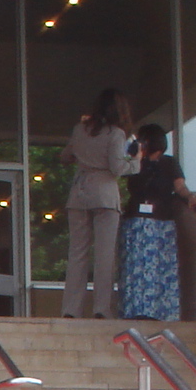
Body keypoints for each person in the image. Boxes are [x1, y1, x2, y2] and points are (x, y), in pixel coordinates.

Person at [60, 88, 140, 318]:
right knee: (104, 256)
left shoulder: (79, 130)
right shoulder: (116, 134)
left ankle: (70, 309)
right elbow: (118, 168)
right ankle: (101, 309)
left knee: (77, 254)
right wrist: (136, 162)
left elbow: (65, 156)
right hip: (104, 194)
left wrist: (82, 157)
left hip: (79, 192)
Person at [118, 123, 192, 322]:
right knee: (136, 266)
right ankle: (135, 310)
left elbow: (180, 187)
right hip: (135, 220)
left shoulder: (169, 163)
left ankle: (160, 311)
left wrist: (190, 198)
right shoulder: (137, 163)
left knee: (159, 266)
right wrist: (136, 157)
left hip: (160, 221)